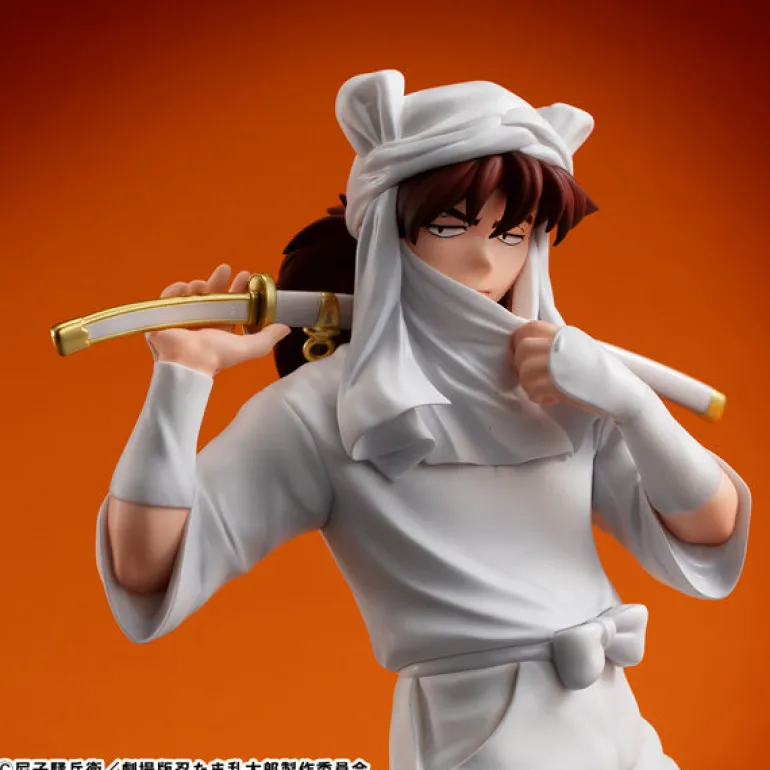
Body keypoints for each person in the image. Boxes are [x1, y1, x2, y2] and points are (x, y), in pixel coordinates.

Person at [98, 70, 751, 770]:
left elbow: (710, 531)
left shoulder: (564, 386)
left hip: (615, 720)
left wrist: (634, 406)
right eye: (449, 225)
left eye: (512, 232)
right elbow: (146, 567)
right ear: (390, 232)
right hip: (479, 736)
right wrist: (182, 377)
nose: (484, 257)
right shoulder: (329, 407)